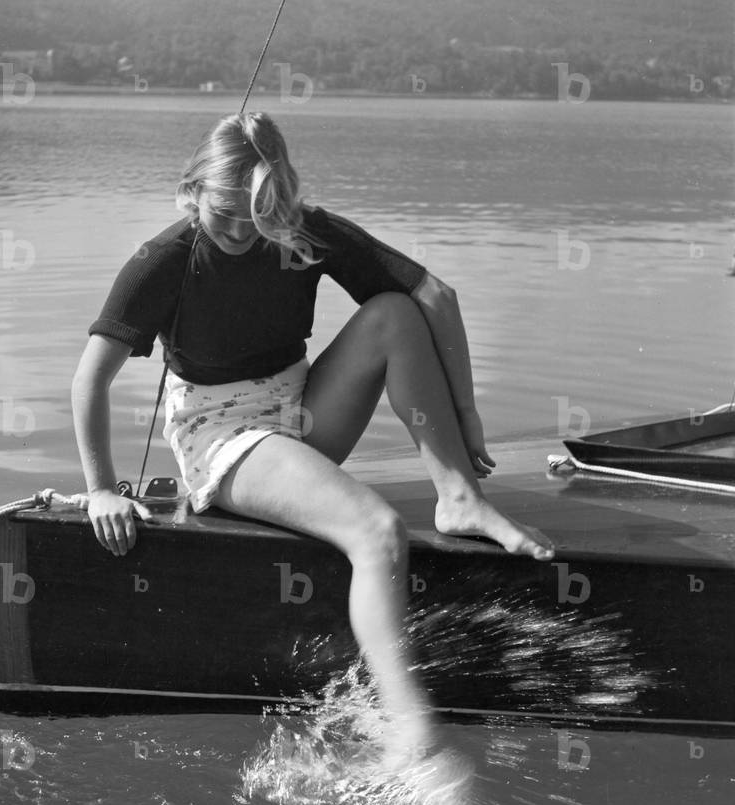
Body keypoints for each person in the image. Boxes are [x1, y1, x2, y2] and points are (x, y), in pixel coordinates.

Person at [72, 111, 555, 760]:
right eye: (225, 214)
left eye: (259, 211)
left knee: (393, 314)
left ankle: (459, 497)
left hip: (299, 412)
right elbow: (89, 380)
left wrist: (466, 417)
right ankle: (408, 727)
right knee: (376, 530)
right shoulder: (161, 261)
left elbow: (436, 295)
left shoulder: (299, 229)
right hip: (223, 438)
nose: (243, 231)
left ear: (281, 193)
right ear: (191, 192)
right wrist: (101, 489)